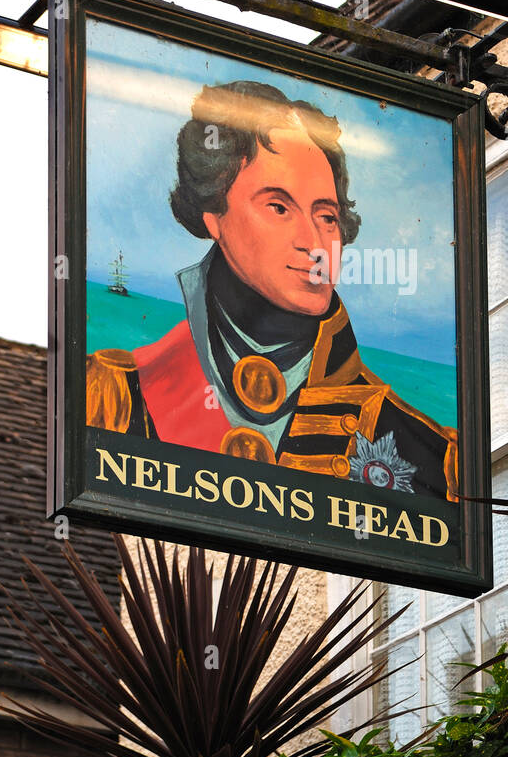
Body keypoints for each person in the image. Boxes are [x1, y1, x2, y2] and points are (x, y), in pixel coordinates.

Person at [86, 78, 458, 502]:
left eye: (327, 217)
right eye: (279, 207)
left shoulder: (429, 455)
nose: (314, 243)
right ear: (213, 213)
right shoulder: (114, 401)